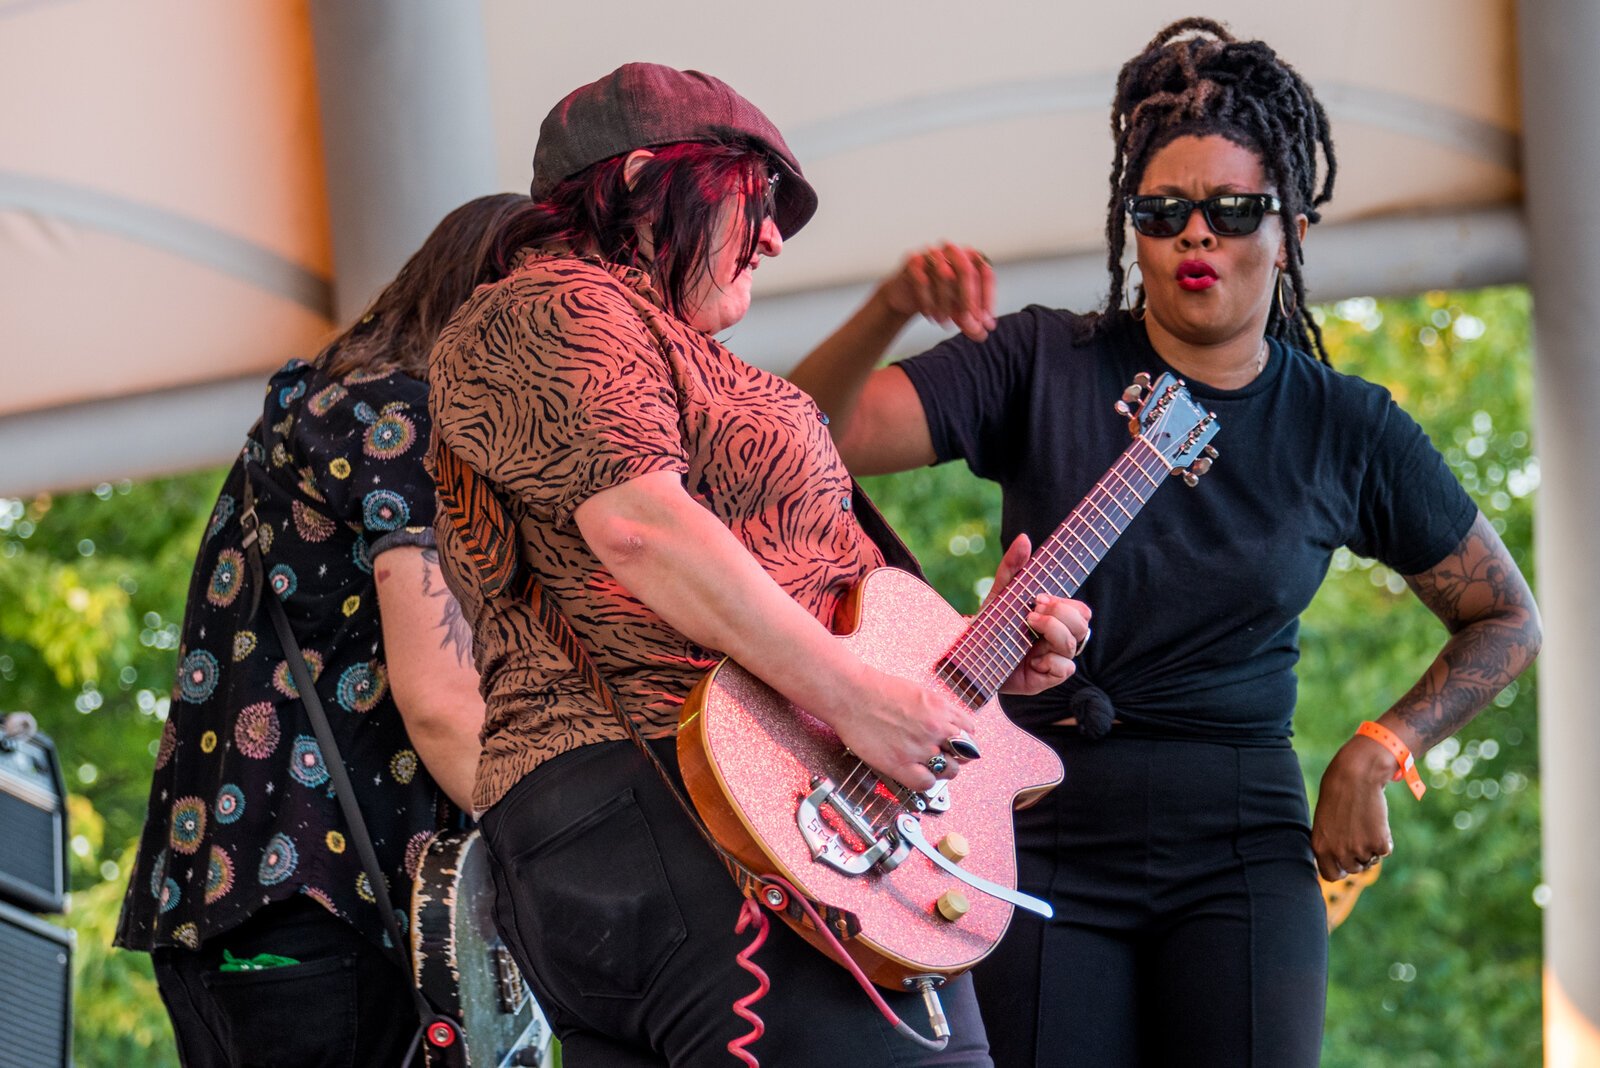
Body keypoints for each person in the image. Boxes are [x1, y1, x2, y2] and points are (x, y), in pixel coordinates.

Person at [789, 19, 1542, 1068]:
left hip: (1239, 841)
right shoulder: (1040, 361)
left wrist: (1381, 748)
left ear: (1293, 232)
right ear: (1129, 228)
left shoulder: (1347, 428)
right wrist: (885, 307)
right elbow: (806, 440)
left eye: (1234, 210)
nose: (1198, 235)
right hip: (1035, 819)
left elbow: (1506, 615)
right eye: (1163, 211)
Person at [426, 63, 1091, 1067]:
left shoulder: (677, 352)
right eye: (760, 195)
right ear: (647, 179)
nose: (777, 237)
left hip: (731, 814)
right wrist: (854, 699)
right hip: (683, 803)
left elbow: (821, 598)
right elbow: (639, 528)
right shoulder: (553, 303)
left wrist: (979, 652)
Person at [115, 193, 528, 1067]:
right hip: (327, 907)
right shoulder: (408, 422)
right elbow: (444, 703)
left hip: (219, 906)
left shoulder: (305, 421)